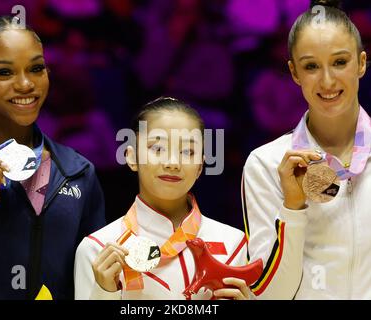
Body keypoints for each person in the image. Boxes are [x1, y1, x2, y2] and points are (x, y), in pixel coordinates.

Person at [242, 0, 371, 299]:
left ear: (361, 63)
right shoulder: (266, 164)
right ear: (294, 72)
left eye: (340, 62)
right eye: (311, 66)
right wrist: (293, 209)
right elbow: (271, 296)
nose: (327, 81)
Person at [0, 16, 105, 299]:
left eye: (36, 68)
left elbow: (89, 284)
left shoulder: (78, 171)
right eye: (4, 72)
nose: (25, 84)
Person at [74, 97, 251, 300]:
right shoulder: (98, 249)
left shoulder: (234, 243)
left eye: (187, 151)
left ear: (200, 166)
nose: (173, 162)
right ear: (132, 157)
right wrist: (104, 293)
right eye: (157, 149)